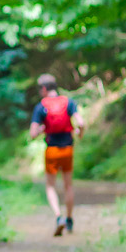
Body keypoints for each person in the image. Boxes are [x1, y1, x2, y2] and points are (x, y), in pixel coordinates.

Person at [29, 73, 83, 236]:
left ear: (44, 89)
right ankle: (69, 219)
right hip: (67, 149)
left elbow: (32, 134)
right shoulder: (68, 102)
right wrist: (80, 133)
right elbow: (81, 123)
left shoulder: (41, 107)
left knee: (50, 186)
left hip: (52, 150)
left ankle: (59, 217)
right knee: (68, 185)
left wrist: (41, 129)